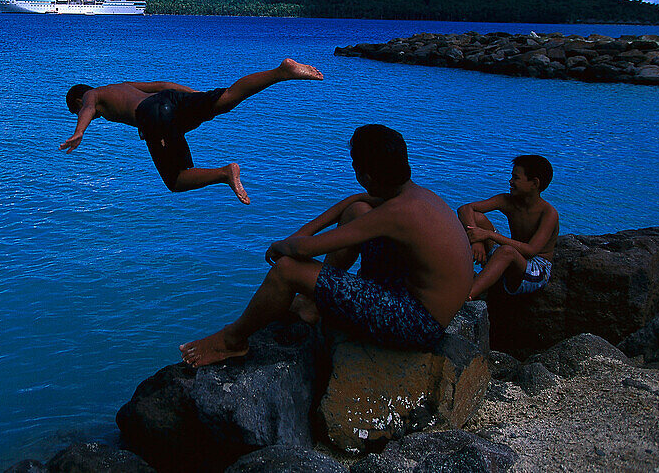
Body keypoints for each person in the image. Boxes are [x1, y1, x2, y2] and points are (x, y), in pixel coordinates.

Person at [179, 124, 473, 367]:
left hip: (416, 323)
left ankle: (232, 341)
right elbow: (352, 205)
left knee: (288, 271)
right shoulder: (415, 197)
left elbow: (304, 252)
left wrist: (283, 246)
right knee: (356, 210)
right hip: (416, 298)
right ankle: (312, 302)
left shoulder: (398, 213)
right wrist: (293, 238)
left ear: (365, 175)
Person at [61, 58, 323, 204]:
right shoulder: (123, 85)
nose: (88, 112)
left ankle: (224, 173)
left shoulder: (91, 96)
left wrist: (79, 130)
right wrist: (198, 97)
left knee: (176, 180)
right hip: (171, 100)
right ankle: (281, 72)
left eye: (77, 108)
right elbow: (162, 84)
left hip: (153, 115)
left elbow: (87, 108)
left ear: (76, 101)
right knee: (227, 98)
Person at [458, 155, 559, 301]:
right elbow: (465, 209)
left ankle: (467, 295)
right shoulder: (507, 200)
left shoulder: (548, 213)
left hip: (535, 271)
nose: (510, 181)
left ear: (534, 183)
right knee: (477, 218)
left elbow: (531, 251)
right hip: (511, 258)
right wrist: (477, 241)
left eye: (516, 178)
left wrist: (488, 234)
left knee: (506, 251)